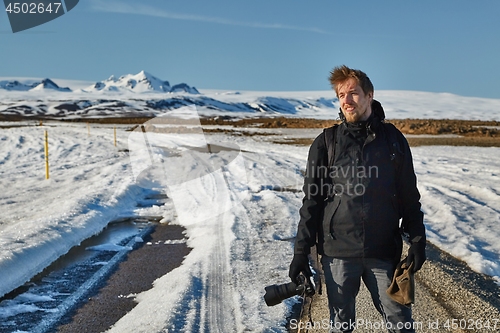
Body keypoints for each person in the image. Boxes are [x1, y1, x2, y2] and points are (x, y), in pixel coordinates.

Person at [288, 65, 426, 333]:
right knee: (341, 327)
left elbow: (410, 196)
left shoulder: (393, 140)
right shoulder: (326, 143)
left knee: (401, 324)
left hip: (383, 251)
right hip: (337, 253)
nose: (347, 101)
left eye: (353, 93)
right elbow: (311, 203)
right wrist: (300, 252)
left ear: (370, 95)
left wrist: (418, 241)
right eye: (341, 95)